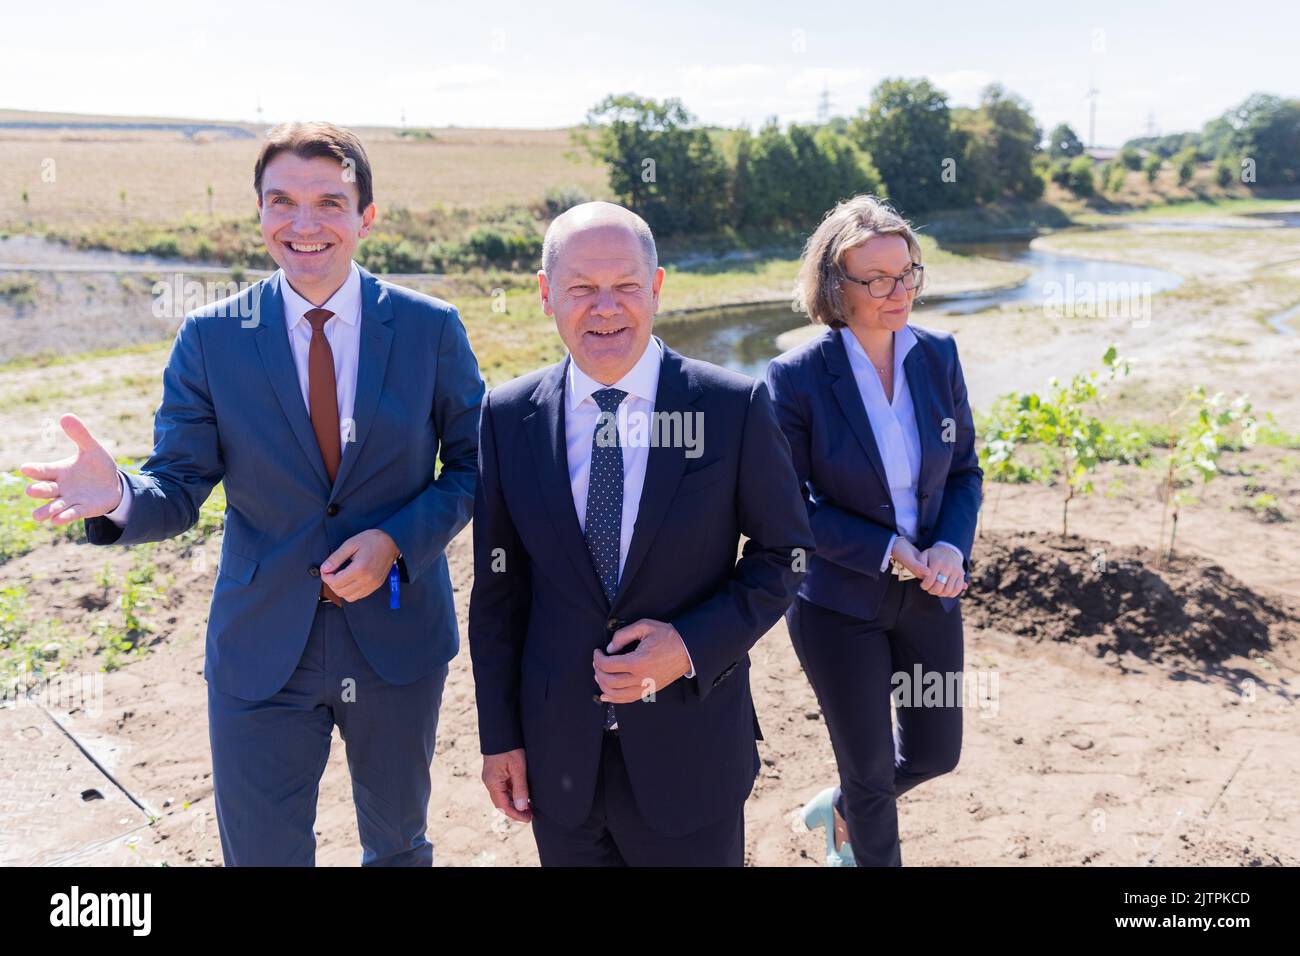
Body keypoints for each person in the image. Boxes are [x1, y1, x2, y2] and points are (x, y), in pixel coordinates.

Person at [20, 121, 484, 866]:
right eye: (282, 202)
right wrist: (116, 496)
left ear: (367, 216)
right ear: (260, 213)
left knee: (400, 846)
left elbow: (472, 466)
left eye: (330, 202)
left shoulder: (432, 329)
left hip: (397, 645)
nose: (305, 225)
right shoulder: (212, 337)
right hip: (261, 651)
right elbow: (175, 488)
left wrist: (398, 543)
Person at [468, 201, 814, 866]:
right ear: (546, 294)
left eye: (626, 286)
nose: (605, 309)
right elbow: (498, 596)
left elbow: (786, 554)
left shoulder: (731, 407)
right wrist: (500, 737)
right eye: (581, 289)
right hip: (557, 765)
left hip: (691, 759)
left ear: (656, 289)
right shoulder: (506, 417)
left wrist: (687, 644)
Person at [765, 195, 982, 867]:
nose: (899, 291)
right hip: (839, 606)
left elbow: (965, 472)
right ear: (837, 286)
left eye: (908, 272)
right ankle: (858, 824)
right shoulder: (796, 377)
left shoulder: (938, 356)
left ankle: (844, 808)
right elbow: (789, 504)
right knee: (869, 775)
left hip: (930, 597)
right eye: (878, 279)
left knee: (936, 754)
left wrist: (948, 545)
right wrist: (891, 551)